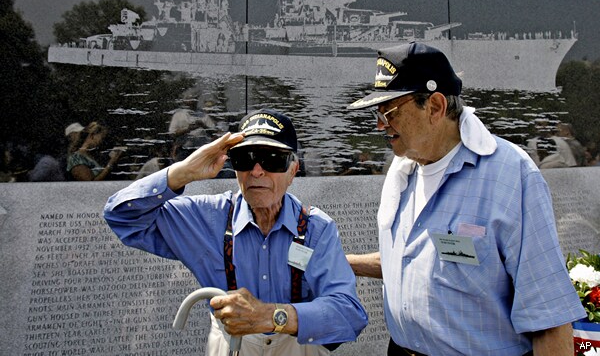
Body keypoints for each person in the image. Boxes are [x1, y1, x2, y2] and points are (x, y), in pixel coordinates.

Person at [345, 42, 585, 356]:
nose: (380, 125)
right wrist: (343, 263)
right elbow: (414, 259)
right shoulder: (404, 170)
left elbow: (549, 319)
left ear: (435, 107)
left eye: (389, 113)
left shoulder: (510, 175)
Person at [104, 109, 368, 356]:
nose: (256, 171)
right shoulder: (208, 218)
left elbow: (349, 314)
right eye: (245, 159)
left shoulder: (316, 228)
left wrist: (271, 316)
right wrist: (183, 172)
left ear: (293, 170)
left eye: (273, 160)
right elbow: (121, 215)